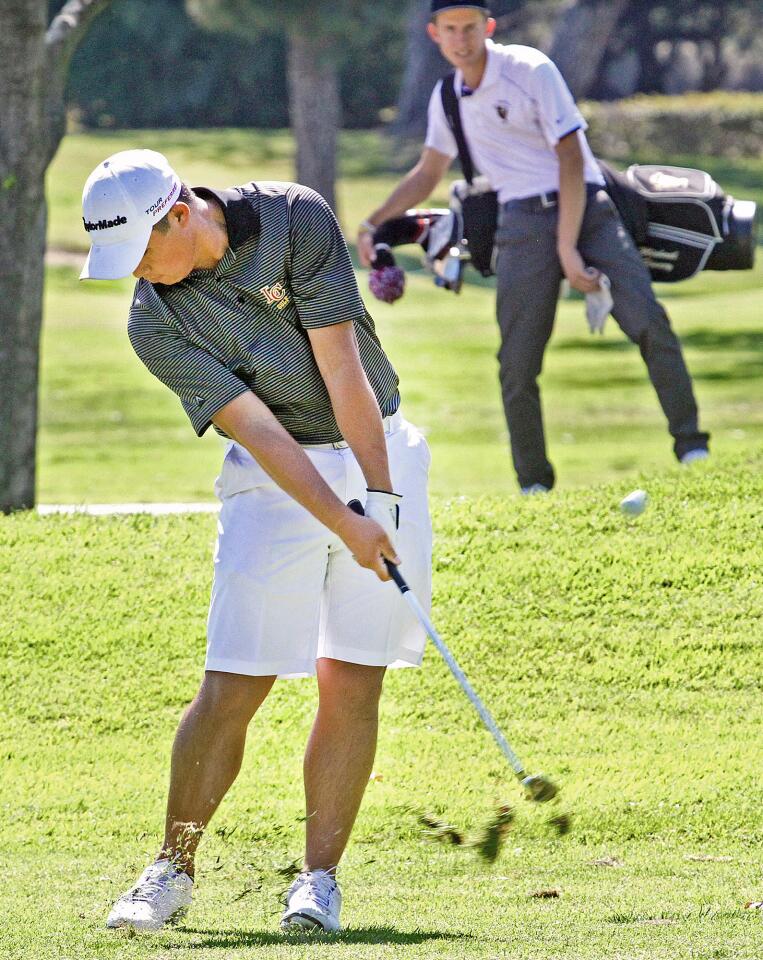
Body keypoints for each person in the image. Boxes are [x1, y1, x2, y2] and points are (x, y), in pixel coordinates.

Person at [80, 148, 432, 933]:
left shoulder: (291, 215)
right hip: (274, 477)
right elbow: (264, 435)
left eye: (139, 251)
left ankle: (318, 883)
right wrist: (345, 520)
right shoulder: (153, 318)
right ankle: (170, 869)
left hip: (378, 443)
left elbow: (342, 368)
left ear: (179, 216)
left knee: (353, 677)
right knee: (235, 678)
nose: (137, 272)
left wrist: (378, 499)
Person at [358, 0, 709, 494]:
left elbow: (569, 156)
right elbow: (428, 172)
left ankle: (693, 448)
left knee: (649, 322)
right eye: (451, 30)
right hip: (519, 224)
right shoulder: (448, 96)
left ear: (489, 28)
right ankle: (534, 485)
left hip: (585, 208)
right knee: (516, 364)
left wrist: (568, 247)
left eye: (471, 28)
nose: (462, 39)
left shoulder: (530, 69)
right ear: (434, 34)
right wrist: (374, 223)